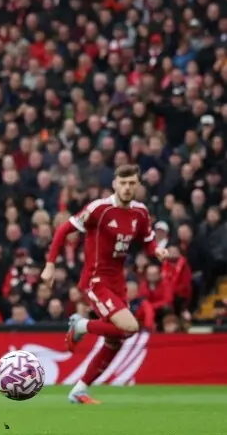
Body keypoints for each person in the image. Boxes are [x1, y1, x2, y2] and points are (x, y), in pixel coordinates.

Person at [42, 164, 168, 404]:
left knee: (116, 339)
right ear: (114, 184)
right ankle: (81, 325)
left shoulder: (140, 213)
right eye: (123, 183)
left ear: (138, 186)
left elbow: (148, 241)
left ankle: (79, 390)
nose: (128, 188)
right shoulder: (99, 209)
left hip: (118, 282)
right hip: (95, 280)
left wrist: (157, 251)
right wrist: (50, 264)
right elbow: (63, 230)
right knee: (129, 327)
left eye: (132, 183)